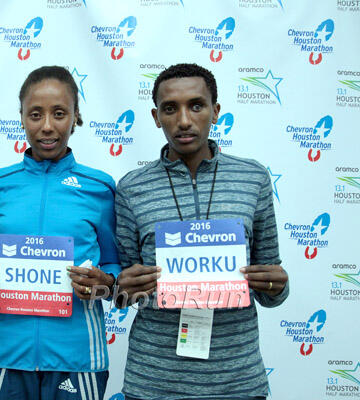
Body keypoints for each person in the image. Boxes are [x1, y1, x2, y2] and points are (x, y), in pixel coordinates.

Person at [114, 63, 289, 400]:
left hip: (237, 382)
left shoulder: (253, 178)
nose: (184, 120)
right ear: (156, 117)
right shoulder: (131, 188)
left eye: (196, 105)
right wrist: (122, 288)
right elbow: (123, 292)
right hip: (154, 383)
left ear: (215, 111)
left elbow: (271, 289)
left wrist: (278, 286)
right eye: (170, 108)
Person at [0, 66, 119, 400]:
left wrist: (105, 282)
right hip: (5, 355)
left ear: (75, 117)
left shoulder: (100, 187)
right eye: (35, 114)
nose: (47, 126)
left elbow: (114, 266)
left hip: (77, 358)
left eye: (59, 113)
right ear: (21, 118)